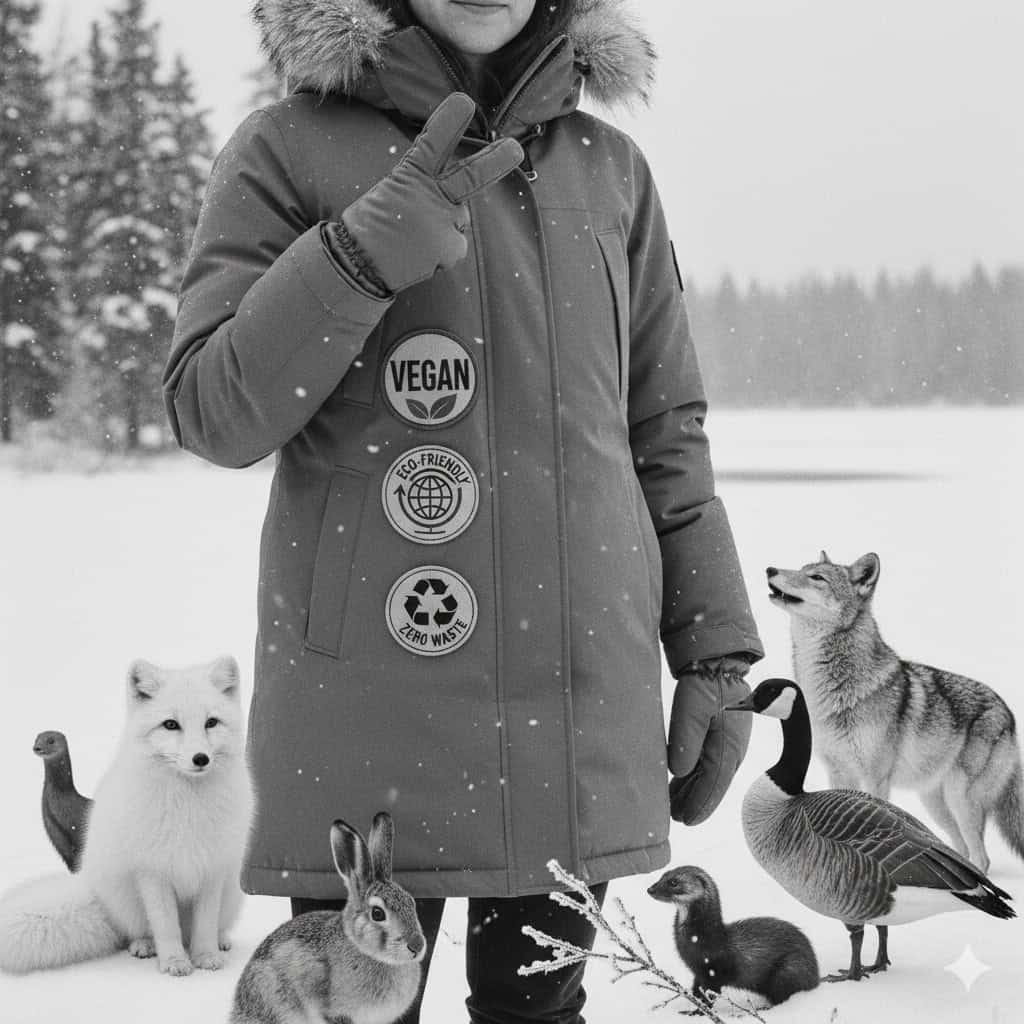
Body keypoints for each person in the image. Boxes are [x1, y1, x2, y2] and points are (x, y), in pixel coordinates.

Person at [163, 1, 763, 1021]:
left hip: (573, 716)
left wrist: (715, 649)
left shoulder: (609, 169)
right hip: (364, 722)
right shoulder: (286, 150)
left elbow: (663, 433)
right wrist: (356, 255)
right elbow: (214, 412)